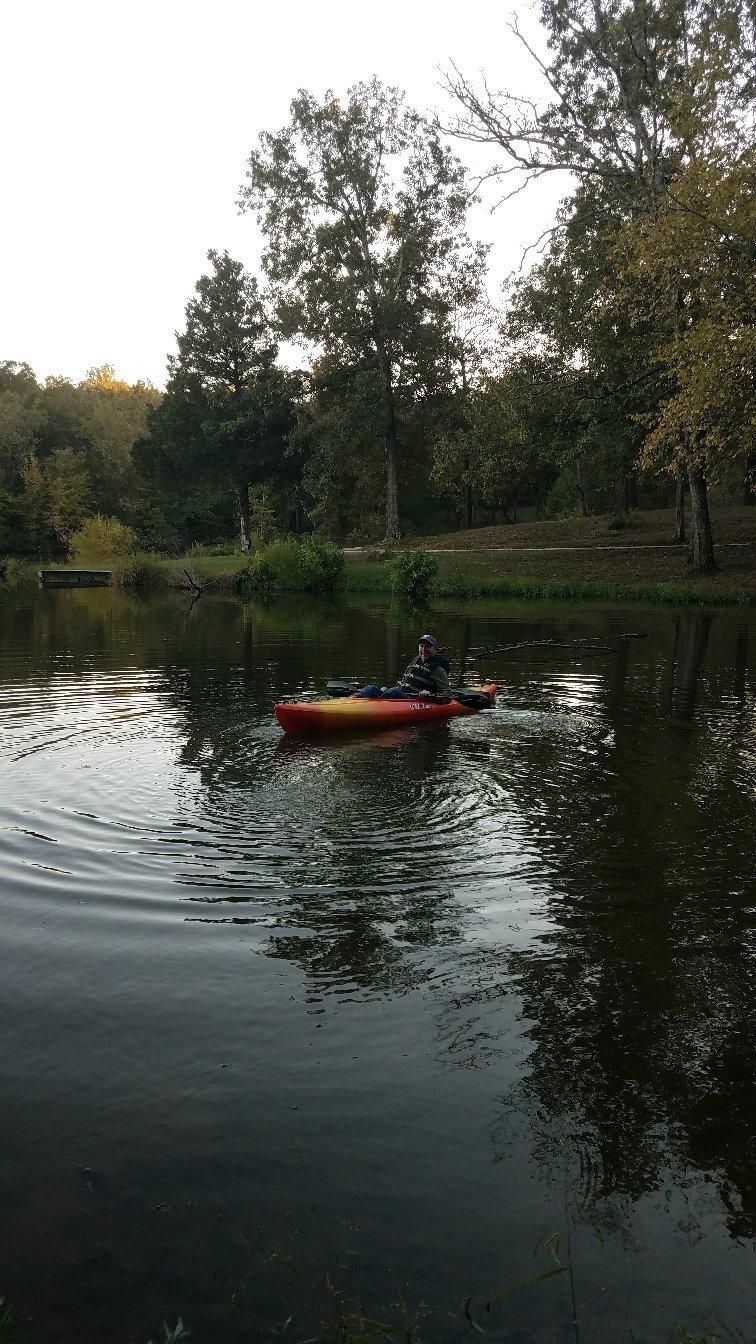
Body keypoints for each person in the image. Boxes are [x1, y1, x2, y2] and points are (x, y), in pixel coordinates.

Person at [355, 635, 450, 700]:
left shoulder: (438, 669)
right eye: (421, 646)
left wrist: (429, 694)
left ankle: (374, 705)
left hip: (414, 700)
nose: (424, 649)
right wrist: (385, 690)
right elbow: (404, 684)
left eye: (428, 646)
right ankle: (354, 704)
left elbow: (447, 694)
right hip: (400, 695)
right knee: (370, 688)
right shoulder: (416, 662)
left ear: (434, 648)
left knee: (394, 692)